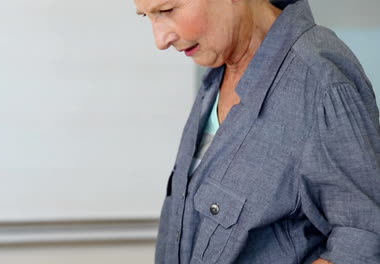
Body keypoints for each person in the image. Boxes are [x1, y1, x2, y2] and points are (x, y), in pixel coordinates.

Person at [134, 0, 380, 263]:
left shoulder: (320, 78)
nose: (160, 40)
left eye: (167, 10)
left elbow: (365, 237)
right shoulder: (219, 70)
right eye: (146, 16)